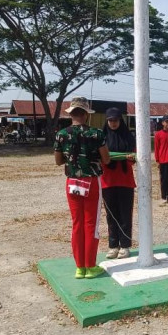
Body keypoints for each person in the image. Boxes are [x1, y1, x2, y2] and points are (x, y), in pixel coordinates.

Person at [54, 97, 111, 279]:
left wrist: (72, 160)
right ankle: (90, 265)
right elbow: (106, 159)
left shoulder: (61, 134)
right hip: (91, 181)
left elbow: (58, 161)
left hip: (72, 182)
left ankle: (79, 267)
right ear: (86, 114)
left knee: (77, 224)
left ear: (71, 113)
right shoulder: (96, 134)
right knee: (90, 224)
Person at [101, 107, 136, 259]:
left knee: (125, 214)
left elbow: (135, 157)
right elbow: (98, 156)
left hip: (125, 180)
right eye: (110, 120)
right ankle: (113, 245)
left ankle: (125, 245)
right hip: (107, 181)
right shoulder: (101, 137)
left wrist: (130, 157)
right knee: (111, 215)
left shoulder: (128, 137)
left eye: (116, 120)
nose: (113, 123)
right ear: (107, 121)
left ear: (120, 121)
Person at [154, 115, 168, 204]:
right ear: (163, 123)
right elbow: (156, 148)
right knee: (164, 179)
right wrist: (157, 160)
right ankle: (164, 196)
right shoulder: (158, 134)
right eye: (166, 122)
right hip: (163, 160)